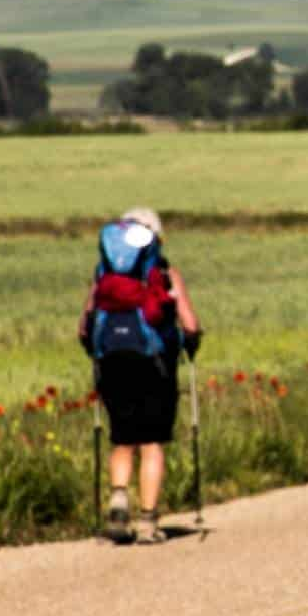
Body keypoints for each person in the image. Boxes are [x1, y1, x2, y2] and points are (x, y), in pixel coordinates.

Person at [78, 208, 203, 545]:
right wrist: (191, 343)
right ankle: (148, 521)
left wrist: (98, 352)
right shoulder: (164, 272)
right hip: (154, 362)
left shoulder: (103, 273)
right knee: (150, 442)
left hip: (112, 361)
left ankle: (119, 498)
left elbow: (85, 325)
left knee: (122, 439)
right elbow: (189, 323)